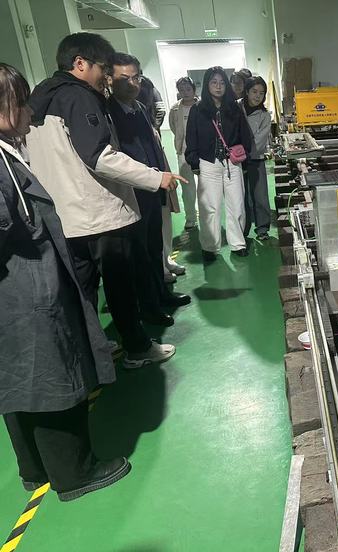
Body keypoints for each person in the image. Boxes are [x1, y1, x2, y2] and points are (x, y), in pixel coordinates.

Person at [0, 62, 130, 501]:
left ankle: (34, 467)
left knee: (18, 378)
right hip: (26, 290)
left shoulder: (8, 151)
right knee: (52, 376)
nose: (29, 113)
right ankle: (74, 473)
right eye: (21, 104)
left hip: (15, 293)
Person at [26, 32, 182, 368]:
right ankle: (137, 348)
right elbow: (99, 156)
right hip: (99, 214)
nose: (106, 77)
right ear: (80, 63)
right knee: (120, 287)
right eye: (102, 68)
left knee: (84, 289)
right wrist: (155, 177)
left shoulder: (43, 95)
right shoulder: (79, 97)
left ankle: (93, 351)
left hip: (67, 215)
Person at [107, 52, 191, 328]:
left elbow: (152, 147)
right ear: (109, 79)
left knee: (154, 248)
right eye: (125, 79)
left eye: (137, 78)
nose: (133, 84)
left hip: (152, 189)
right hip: (131, 194)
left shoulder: (140, 109)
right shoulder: (109, 113)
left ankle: (161, 294)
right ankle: (149, 308)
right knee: (139, 255)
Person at [185, 66, 252, 261]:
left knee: (237, 205)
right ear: (207, 85)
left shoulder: (234, 108)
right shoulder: (198, 109)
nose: (218, 86)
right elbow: (191, 137)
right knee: (209, 208)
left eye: (222, 82)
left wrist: (244, 154)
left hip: (233, 163)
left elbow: (244, 134)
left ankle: (238, 243)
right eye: (214, 82)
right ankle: (210, 247)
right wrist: (194, 161)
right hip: (208, 163)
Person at [241, 76, 272, 241]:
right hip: (235, 160)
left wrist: (245, 152)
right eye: (254, 91)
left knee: (260, 196)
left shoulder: (265, 116)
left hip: (255, 159)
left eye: (261, 93)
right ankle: (242, 229)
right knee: (241, 197)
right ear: (246, 91)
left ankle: (262, 228)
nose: (257, 96)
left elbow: (259, 140)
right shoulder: (236, 108)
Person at [168, 76, 198, 231]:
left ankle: (207, 215)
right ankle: (190, 218)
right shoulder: (174, 109)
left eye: (188, 89)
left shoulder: (202, 106)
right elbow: (174, 128)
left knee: (206, 187)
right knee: (187, 188)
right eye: (181, 90)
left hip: (202, 153)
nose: (185, 92)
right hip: (183, 152)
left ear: (194, 90)